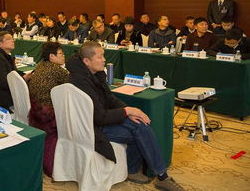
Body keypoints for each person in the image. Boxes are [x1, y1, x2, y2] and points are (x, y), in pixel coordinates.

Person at [67, 42, 184, 190]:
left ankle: (136, 170)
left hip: (98, 121)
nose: (104, 59)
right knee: (138, 128)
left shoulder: (94, 74)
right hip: (91, 128)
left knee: (139, 125)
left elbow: (110, 99)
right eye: (100, 56)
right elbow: (99, 117)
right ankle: (161, 176)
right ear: (86, 61)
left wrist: (127, 109)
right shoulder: (80, 81)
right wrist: (127, 112)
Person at [28, 42, 69, 176]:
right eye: (61, 54)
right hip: (49, 114)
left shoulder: (40, 65)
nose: (64, 56)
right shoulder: (57, 70)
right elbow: (73, 85)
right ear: (52, 56)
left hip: (36, 111)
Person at [0, 32, 27, 110]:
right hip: (1, 97)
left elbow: (14, 72)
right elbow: (4, 83)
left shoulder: (5, 55)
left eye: (12, 38)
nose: (12, 40)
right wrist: (23, 79)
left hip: (3, 92)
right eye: (8, 39)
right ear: (0, 44)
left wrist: (24, 75)